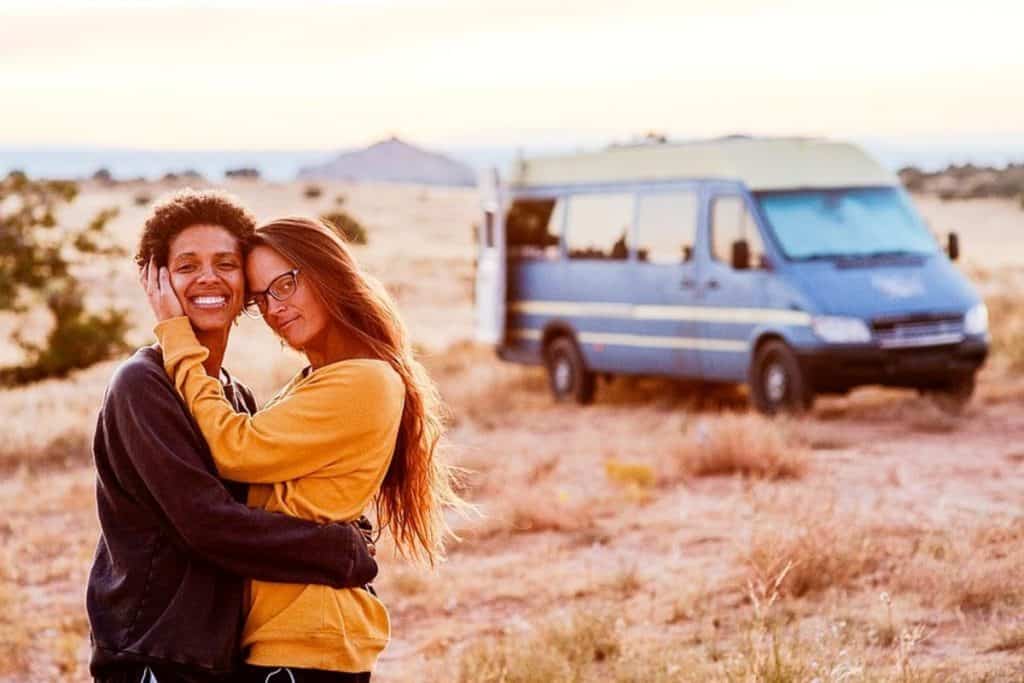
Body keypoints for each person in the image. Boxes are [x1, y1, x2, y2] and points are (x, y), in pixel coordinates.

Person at [143, 216, 465, 682]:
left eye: (286, 284)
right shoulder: (320, 378)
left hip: (309, 638)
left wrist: (177, 337)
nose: (274, 308)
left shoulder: (364, 379)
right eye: (260, 297)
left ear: (328, 273)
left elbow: (237, 449)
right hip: (290, 634)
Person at [88, 193, 378, 683]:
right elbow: (208, 525)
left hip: (223, 655)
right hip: (156, 654)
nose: (208, 278)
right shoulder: (143, 384)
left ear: (247, 287)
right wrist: (337, 550)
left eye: (225, 263)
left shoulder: (232, 398)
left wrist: (356, 531)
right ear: (157, 282)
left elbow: (270, 508)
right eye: (186, 266)